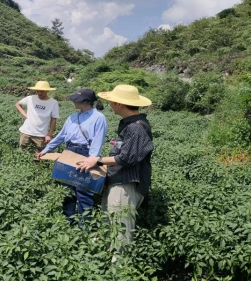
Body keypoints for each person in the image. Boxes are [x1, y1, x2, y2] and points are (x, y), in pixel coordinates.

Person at [77, 84, 153, 248]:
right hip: (117, 181)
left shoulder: (136, 127)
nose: (109, 104)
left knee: (120, 232)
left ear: (119, 103)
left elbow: (126, 158)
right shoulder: (128, 123)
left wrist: (97, 160)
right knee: (109, 224)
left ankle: (119, 269)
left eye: (112, 101)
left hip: (125, 185)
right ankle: (107, 263)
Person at [37, 89, 107, 224]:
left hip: (85, 154)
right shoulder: (73, 117)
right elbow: (61, 136)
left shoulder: (98, 118)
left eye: (76, 99)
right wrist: (46, 149)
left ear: (86, 102)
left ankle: (84, 227)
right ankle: (68, 222)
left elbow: (97, 141)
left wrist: (92, 159)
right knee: (66, 190)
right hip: (69, 151)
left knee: (84, 192)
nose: (73, 101)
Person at [15, 81, 60, 152]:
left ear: (47, 91)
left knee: (39, 155)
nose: (39, 93)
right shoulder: (30, 98)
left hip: (41, 134)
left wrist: (49, 134)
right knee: (22, 152)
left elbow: (53, 119)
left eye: (42, 91)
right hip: (26, 132)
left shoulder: (53, 103)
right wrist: (24, 115)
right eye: (37, 91)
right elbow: (18, 104)